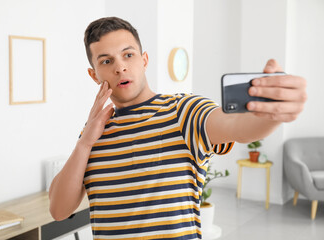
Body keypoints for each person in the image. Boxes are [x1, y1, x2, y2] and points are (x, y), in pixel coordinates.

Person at [49, 17, 307, 239]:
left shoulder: (183, 111)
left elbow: (237, 126)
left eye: (128, 54)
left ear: (144, 60)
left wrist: (273, 113)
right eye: (106, 61)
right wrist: (84, 143)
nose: (120, 67)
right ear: (94, 75)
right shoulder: (94, 130)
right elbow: (59, 210)